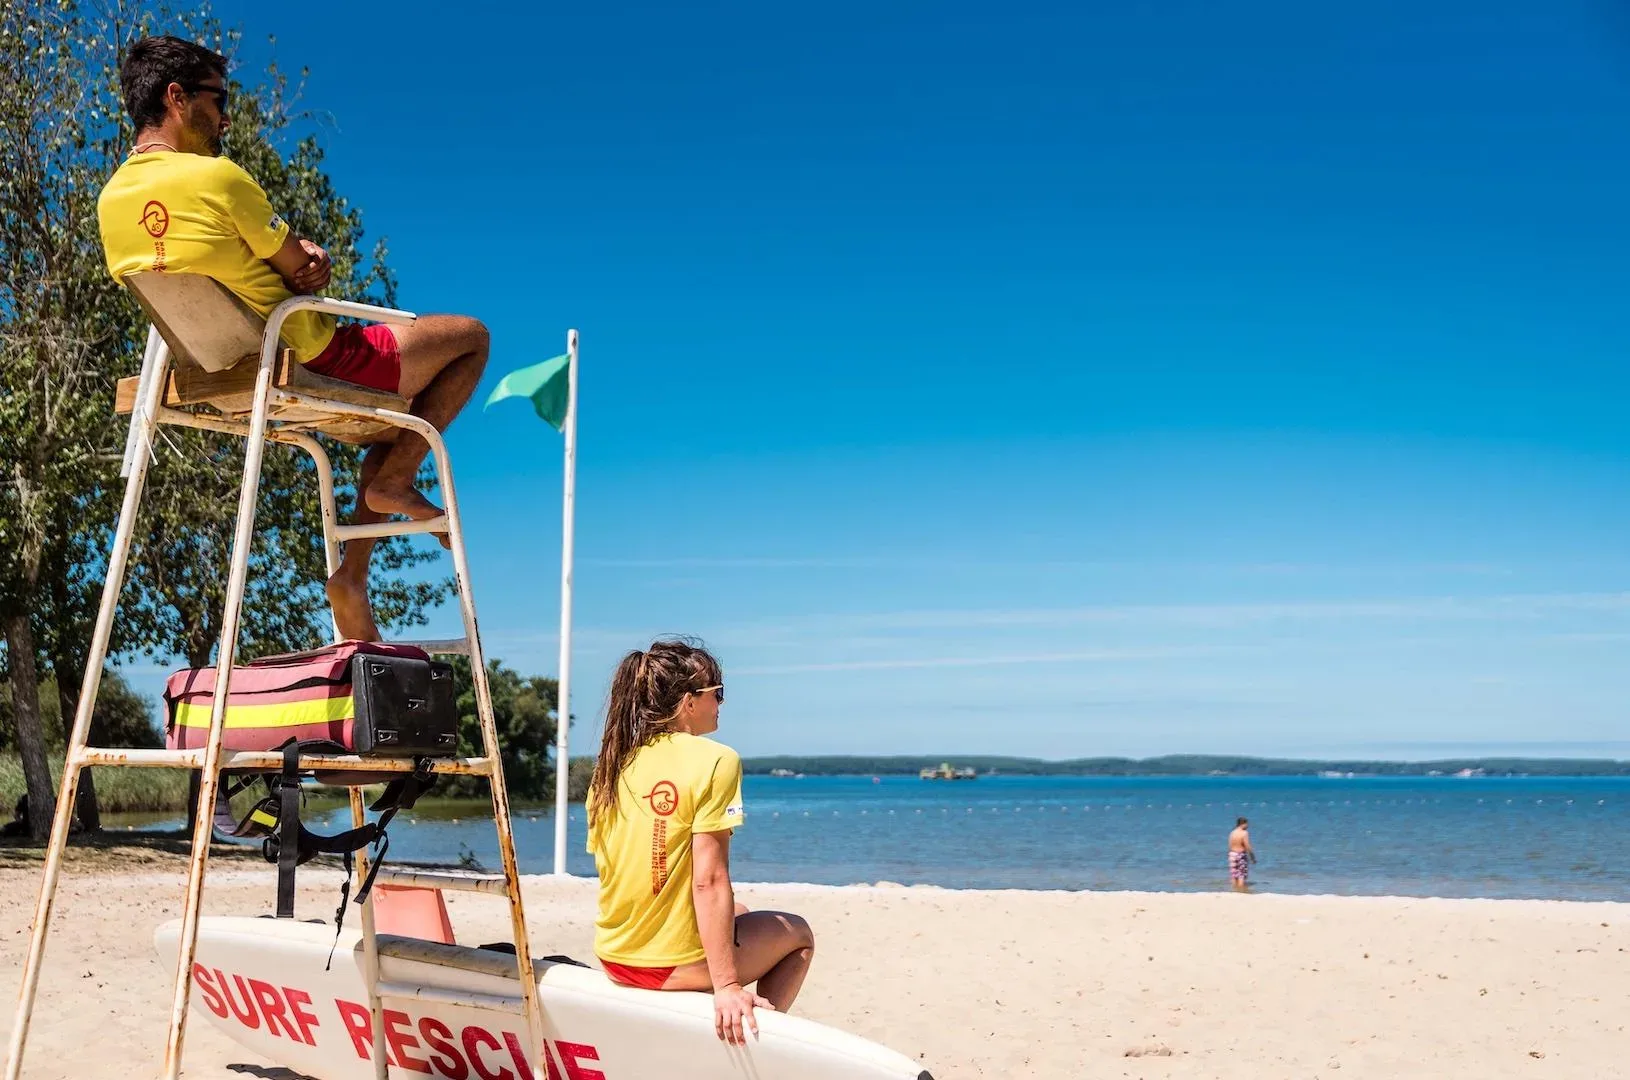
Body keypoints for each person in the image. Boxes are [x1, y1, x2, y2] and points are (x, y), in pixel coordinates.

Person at [96, 35, 490, 643]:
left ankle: (352, 575)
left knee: (394, 426)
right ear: (176, 97)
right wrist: (310, 257)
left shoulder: (110, 202)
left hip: (205, 365)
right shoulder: (218, 177)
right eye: (218, 99)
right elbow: (294, 264)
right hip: (306, 351)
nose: (226, 117)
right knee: (468, 338)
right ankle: (388, 490)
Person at [585, 639, 815, 1045]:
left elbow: (620, 867)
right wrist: (727, 986)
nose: (721, 703)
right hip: (667, 966)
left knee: (740, 911)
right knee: (798, 934)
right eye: (717, 693)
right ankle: (758, 1042)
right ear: (689, 703)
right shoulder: (716, 760)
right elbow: (708, 879)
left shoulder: (612, 765)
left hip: (615, 957)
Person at [1228, 816, 1257, 891]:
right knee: (1241, 875)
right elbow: (1247, 846)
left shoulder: (1232, 832)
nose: (1248, 826)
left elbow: (1230, 845)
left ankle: (1234, 890)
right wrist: (1252, 857)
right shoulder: (1244, 833)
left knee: (1234, 875)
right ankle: (1241, 891)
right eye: (1247, 824)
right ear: (1242, 824)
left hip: (1232, 854)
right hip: (1240, 855)